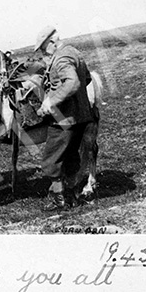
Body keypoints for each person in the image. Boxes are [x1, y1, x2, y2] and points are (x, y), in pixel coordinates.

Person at [33, 25, 94, 210]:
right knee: (70, 157)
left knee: (51, 160)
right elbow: (87, 79)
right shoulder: (74, 52)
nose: (45, 52)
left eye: (44, 48)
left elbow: (73, 82)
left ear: (52, 42)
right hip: (81, 117)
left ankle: (59, 200)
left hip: (64, 120)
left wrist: (51, 101)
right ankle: (72, 195)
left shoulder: (61, 58)